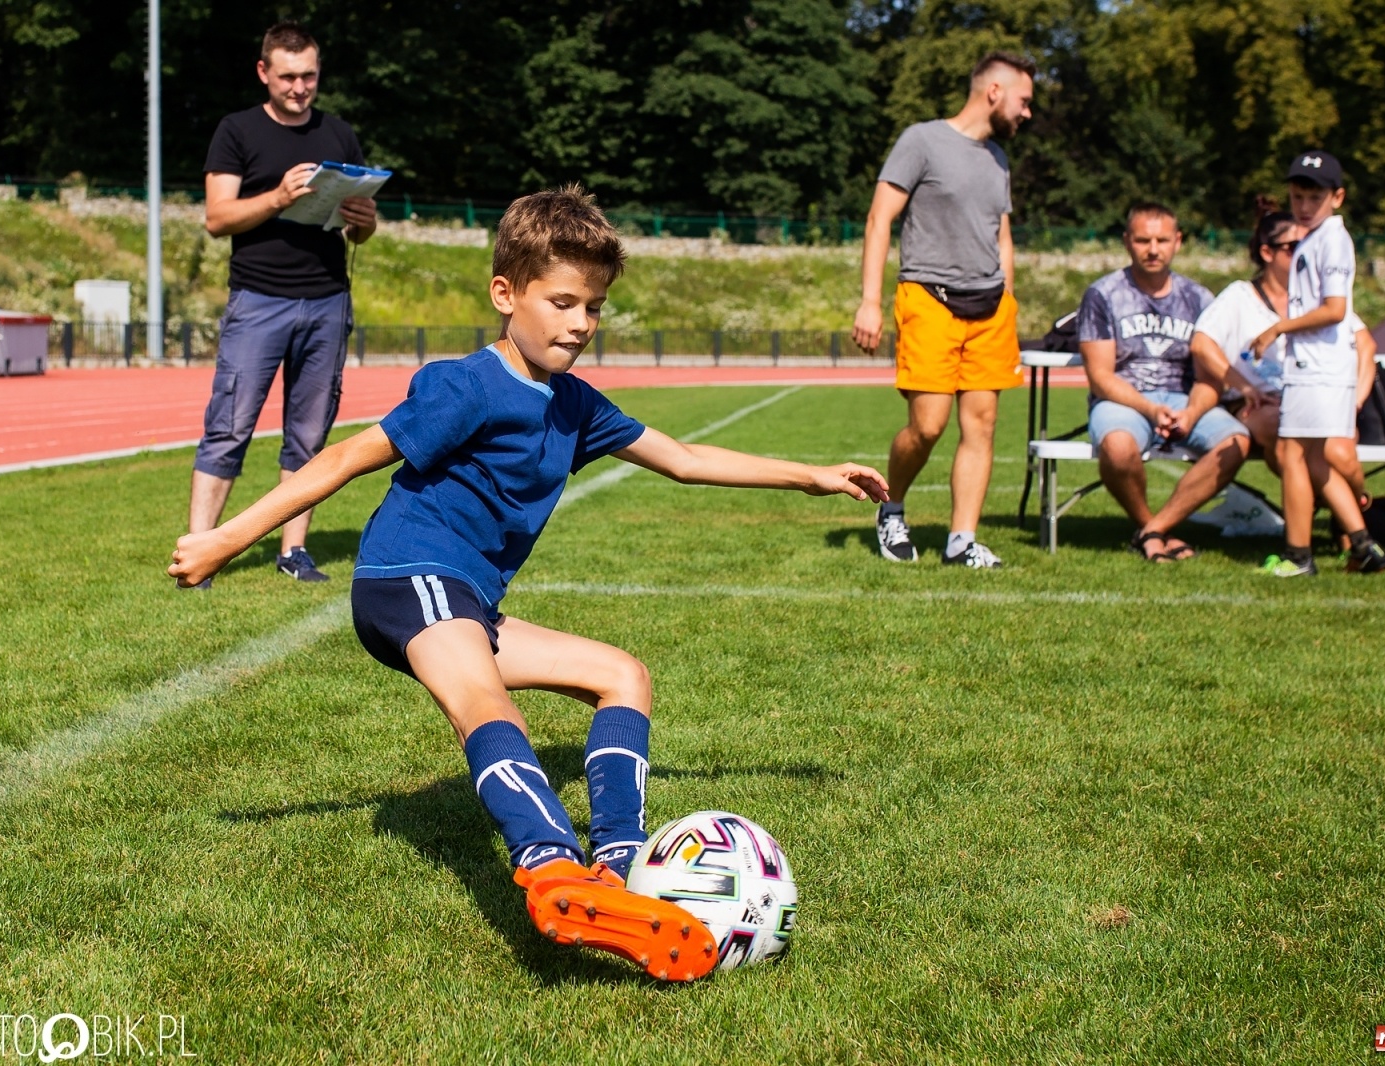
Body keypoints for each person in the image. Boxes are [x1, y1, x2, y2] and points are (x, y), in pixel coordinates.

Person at [168, 187, 887, 982]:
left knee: (623, 676)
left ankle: (618, 864)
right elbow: (340, 459)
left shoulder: (575, 404)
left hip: (468, 598)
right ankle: (551, 869)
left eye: (596, 306)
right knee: (483, 699)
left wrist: (811, 478)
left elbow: (683, 459)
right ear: (506, 295)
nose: (581, 322)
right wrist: (225, 539)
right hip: (407, 576)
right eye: (564, 301)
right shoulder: (464, 386)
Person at [188, 20, 379, 587]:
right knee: (229, 425)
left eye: (310, 76)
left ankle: (294, 552)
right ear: (264, 72)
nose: (300, 87)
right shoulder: (236, 130)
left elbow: (360, 236)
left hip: (326, 299)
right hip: (258, 298)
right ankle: (200, 550)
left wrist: (364, 223)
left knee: (310, 434)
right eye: (289, 76)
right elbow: (217, 218)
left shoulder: (339, 133)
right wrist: (277, 195)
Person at [851, 51, 1034, 569]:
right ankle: (892, 510)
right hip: (929, 299)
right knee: (928, 426)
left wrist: (1010, 298)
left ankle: (962, 541)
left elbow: (1002, 234)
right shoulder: (921, 140)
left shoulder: (998, 158)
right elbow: (879, 218)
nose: (1027, 112)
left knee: (982, 425)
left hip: (991, 309)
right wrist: (869, 301)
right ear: (994, 91)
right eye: (1024, 101)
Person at [1078, 202, 1248, 561]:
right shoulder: (1103, 294)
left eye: (1161, 240)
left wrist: (1190, 412)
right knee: (1118, 448)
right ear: (1127, 242)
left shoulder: (1200, 298)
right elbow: (1100, 377)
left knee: (1236, 442)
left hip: (1184, 399)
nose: (1153, 249)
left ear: (1178, 242)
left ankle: (1155, 530)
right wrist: (1150, 409)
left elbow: (1209, 377)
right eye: (1142, 240)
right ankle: (1150, 526)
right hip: (1125, 400)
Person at [1250, 151, 1385, 576]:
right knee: (1314, 460)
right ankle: (1365, 547)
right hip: (1317, 366)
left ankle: (1298, 556)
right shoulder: (1314, 237)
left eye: (1315, 197)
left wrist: (1278, 328)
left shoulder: (1332, 239)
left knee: (1292, 453)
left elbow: (1334, 309)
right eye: (1297, 196)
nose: (1304, 205)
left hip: (1319, 367)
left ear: (1337, 197)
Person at [1191, 207, 1376, 497]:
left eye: (1307, 245)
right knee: (1288, 440)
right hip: (1259, 404)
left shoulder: (1316, 300)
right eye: (1293, 247)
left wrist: (1356, 401)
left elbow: (1366, 345)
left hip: (1317, 399)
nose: (1304, 253)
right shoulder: (1240, 296)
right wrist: (1245, 386)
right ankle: (1354, 517)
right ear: (1267, 253)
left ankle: (1351, 514)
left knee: (1338, 451)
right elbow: (1201, 344)